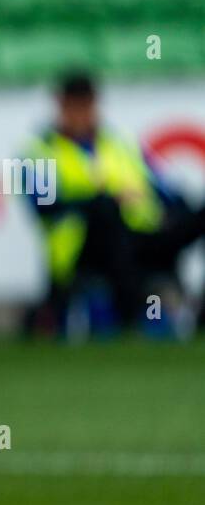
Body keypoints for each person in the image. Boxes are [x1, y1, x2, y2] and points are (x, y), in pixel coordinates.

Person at [23, 71, 205, 332]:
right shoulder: (41, 152)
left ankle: (199, 316)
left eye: (86, 105)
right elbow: (44, 205)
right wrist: (101, 199)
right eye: (74, 105)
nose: (81, 113)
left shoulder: (119, 144)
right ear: (60, 106)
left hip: (142, 234)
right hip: (83, 247)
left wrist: (173, 213)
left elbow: (166, 189)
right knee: (107, 214)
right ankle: (131, 316)